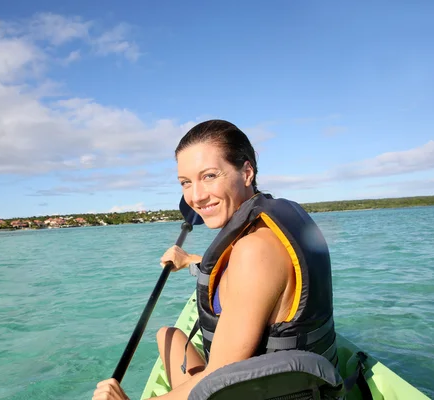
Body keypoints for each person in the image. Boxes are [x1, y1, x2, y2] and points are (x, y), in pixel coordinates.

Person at [93, 120, 336, 400]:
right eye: (186, 182)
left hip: (267, 393)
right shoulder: (272, 222)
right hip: (287, 381)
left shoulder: (254, 250)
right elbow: (247, 277)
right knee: (167, 335)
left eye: (209, 176)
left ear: (246, 172)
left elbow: (218, 379)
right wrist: (189, 261)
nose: (195, 196)